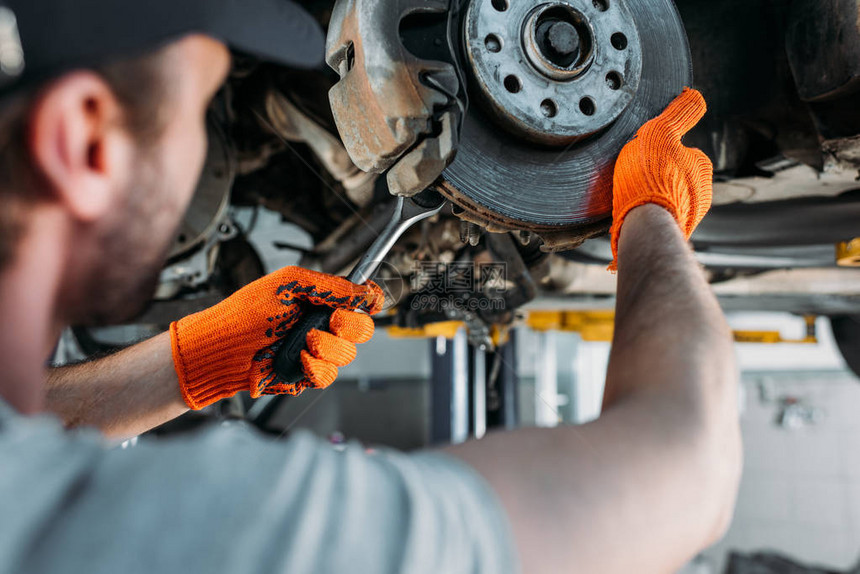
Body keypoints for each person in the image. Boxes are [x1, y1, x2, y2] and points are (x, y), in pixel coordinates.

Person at [0, 1, 741, 573]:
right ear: (83, 143)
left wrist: (188, 364)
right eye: (199, 106)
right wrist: (652, 217)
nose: (201, 135)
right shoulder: (206, 537)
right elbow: (691, 467)